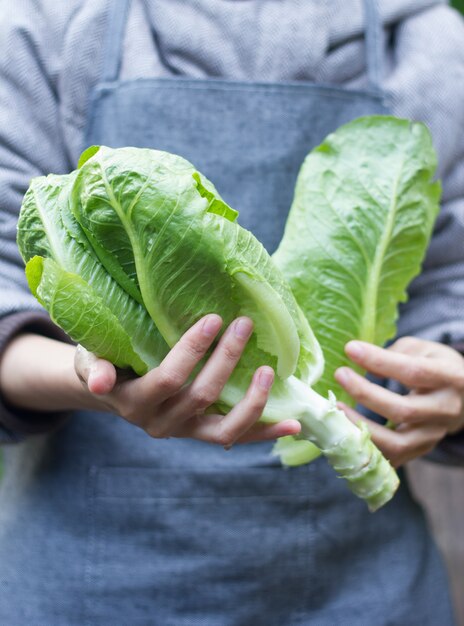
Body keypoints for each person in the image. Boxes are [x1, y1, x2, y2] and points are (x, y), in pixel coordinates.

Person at [0, 0, 463, 624]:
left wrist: (449, 388)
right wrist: (96, 380)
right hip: (92, 578)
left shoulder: (434, 44)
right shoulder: (47, 23)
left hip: (357, 587)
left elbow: (451, 288)